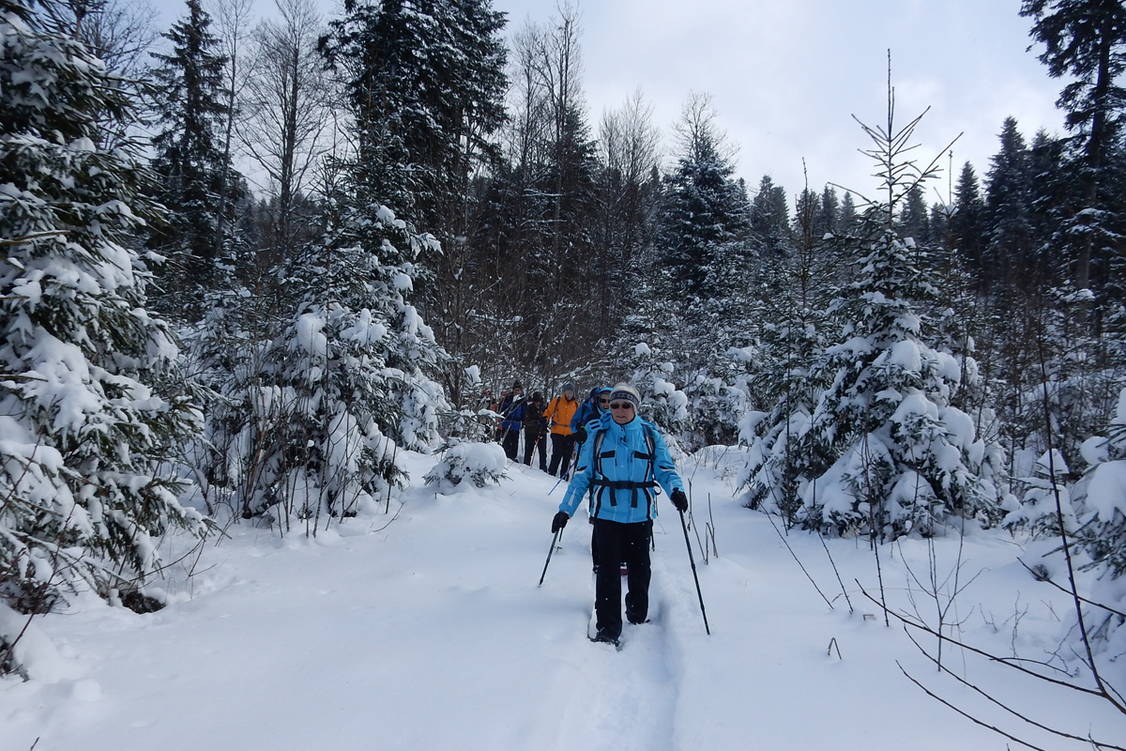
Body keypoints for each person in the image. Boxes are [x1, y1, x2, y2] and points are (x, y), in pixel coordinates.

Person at [550, 383, 688, 645]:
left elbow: (665, 469)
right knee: (607, 571)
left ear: (635, 407)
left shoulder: (649, 435)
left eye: (626, 405)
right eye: (615, 405)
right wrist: (564, 511)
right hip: (606, 514)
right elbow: (582, 477)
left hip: (640, 513)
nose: (620, 410)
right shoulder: (598, 435)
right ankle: (608, 628)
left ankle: (637, 614)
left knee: (640, 567)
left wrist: (676, 491)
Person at [543, 382, 579, 477]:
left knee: (567, 456)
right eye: (567, 392)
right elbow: (548, 411)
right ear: (564, 392)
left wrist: (579, 430)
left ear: (573, 393)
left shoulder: (576, 405)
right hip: (557, 432)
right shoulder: (557, 401)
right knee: (557, 454)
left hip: (570, 434)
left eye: (571, 392)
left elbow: (579, 419)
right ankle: (551, 473)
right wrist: (545, 419)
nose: (569, 394)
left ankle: (564, 475)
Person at [497, 381, 525, 460]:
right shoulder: (508, 398)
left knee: (515, 442)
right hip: (507, 422)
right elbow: (502, 409)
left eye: (519, 390)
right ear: (513, 390)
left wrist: (523, 422)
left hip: (516, 424)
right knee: (506, 440)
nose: (517, 392)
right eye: (516, 390)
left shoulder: (523, 400)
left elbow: (524, 412)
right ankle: (505, 456)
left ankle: (513, 457)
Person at [523, 391, 548, 470]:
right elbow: (526, 421)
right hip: (530, 432)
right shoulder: (529, 408)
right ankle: (526, 466)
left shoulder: (544, 407)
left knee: (543, 453)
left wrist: (545, 422)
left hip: (542, 432)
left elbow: (548, 418)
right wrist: (537, 422)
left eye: (539, 401)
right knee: (528, 451)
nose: (537, 403)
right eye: (536, 401)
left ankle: (543, 469)